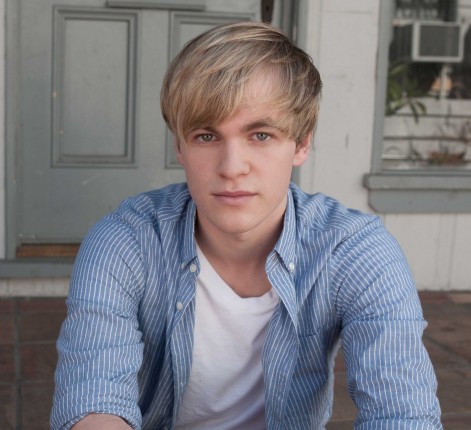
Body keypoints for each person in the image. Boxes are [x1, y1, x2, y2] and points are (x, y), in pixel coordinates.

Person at [51, 21, 442, 429]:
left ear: (302, 143)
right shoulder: (126, 240)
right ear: (179, 146)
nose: (232, 168)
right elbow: (93, 397)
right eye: (206, 136)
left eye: (261, 135)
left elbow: (402, 412)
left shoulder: (355, 250)